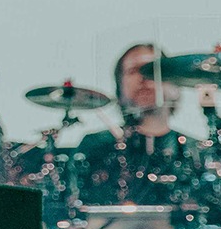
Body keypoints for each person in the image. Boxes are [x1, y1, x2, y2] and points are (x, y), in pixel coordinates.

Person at [75, 42, 186, 204]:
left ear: (173, 85)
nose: (143, 77)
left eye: (152, 69)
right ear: (119, 88)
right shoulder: (95, 147)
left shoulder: (191, 151)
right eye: (133, 70)